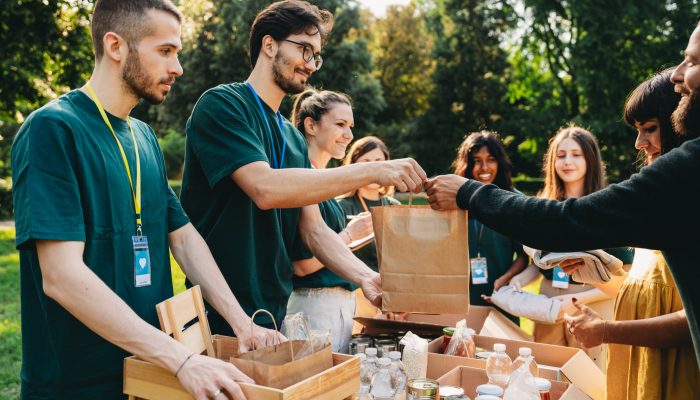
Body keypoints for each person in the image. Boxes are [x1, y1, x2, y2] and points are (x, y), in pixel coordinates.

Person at [10, 1, 279, 399]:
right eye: (166, 51)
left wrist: (241, 321)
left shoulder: (144, 137)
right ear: (116, 46)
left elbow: (184, 239)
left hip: (147, 375)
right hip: (75, 385)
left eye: (178, 53)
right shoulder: (52, 129)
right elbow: (61, 276)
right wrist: (182, 359)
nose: (178, 68)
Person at [424, 21, 700, 365]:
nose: (679, 74)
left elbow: (564, 222)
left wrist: (469, 192)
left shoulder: (682, 175)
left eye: (692, 62)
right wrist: (603, 272)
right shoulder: (671, 185)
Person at [180, 0, 426, 334]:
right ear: (269, 45)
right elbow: (264, 188)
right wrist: (371, 171)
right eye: (304, 50)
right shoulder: (223, 104)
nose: (311, 65)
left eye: (316, 55)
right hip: (217, 312)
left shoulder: (293, 139)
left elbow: (314, 230)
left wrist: (366, 277)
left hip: (273, 313)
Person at [563, 70, 700, 399]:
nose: (639, 144)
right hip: (638, 371)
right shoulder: (661, 199)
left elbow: (691, 319)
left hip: (676, 375)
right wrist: (592, 271)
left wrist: (607, 330)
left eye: (650, 129)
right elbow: (651, 292)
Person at [508, 127, 633, 353]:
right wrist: (518, 281)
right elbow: (542, 264)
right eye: (561, 155)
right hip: (547, 303)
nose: (567, 161)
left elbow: (624, 278)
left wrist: (576, 299)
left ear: (590, 159)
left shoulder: (606, 207)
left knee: (587, 378)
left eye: (576, 155)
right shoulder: (543, 206)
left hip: (590, 303)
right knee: (547, 372)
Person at [285, 88, 372, 353]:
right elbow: (300, 265)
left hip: (337, 308)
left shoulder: (321, 182)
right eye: (340, 124)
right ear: (311, 125)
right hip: (314, 309)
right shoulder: (300, 179)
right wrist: (348, 234)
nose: (349, 135)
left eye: (351, 126)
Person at [449, 131, 527, 324]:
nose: (484, 167)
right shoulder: (455, 201)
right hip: (461, 297)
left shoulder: (513, 200)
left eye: (490, 159)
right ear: (466, 164)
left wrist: (505, 279)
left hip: (500, 295)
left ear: (499, 162)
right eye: (476, 160)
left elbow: (525, 256)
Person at [337, 136, 402, 330]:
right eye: (366, 162)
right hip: (354, 300)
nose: (374, 169)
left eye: (378, 163)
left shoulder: (396, 208)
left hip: (392, 303)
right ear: (354, 166)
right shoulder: (341, 206)